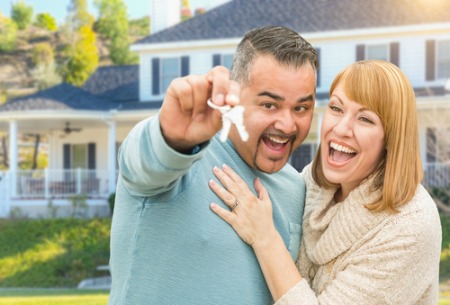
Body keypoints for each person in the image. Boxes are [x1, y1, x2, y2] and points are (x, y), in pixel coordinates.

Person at [108, 25, 319, 305]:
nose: (287, 124)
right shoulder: (181, 157)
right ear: (234, 96)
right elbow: (142, 163)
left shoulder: (297, 188)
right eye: (269, 105)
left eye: (301, 108)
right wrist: (170, 138)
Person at [209, 59, 442, 304]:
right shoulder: (313, 184)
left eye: (365, 119)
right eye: (336, 108)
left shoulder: (410, 226)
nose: (341, 128)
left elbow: (265, 236)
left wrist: (265, 238)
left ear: (391, 139)